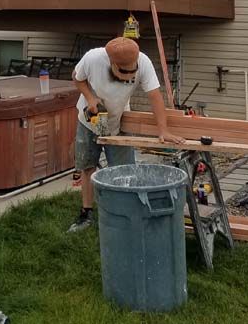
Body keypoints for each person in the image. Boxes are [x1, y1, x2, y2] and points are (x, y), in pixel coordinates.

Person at [68, 36, 184, 232]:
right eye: (123, 72)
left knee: (124, 170)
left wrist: (163, 130)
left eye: (133, 72)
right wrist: (91, 98)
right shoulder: (93, 58)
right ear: (112, 62)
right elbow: (77, 77)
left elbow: (155, 96)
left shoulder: (143, 62)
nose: (129, 76)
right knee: (87, 167)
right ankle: (86, 213)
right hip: (88, 121)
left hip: (119, 120)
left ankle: (124, 213)